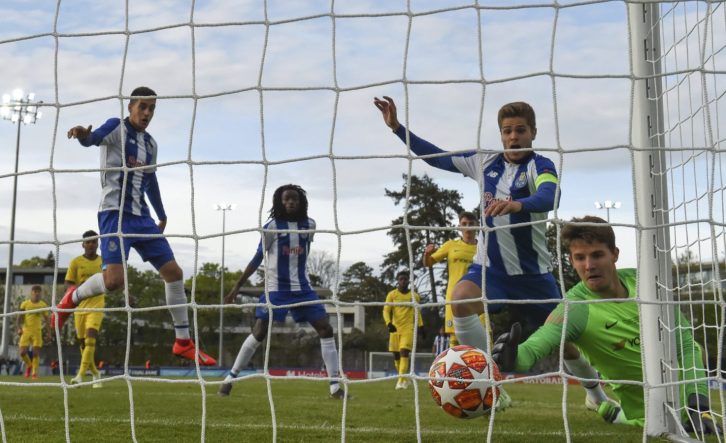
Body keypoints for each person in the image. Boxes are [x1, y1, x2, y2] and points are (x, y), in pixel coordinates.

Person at [374, 96, 608, 408]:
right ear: (501, 135)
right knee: (459, 299)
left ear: (533, 133)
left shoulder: (541, 166)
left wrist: (518, 204)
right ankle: (491, 387)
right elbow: (435, 157)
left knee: (566, 341)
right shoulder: (483, 162)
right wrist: (397, 128)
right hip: (491, 270)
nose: (514, 137)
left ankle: (596, 396)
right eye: (507, 131)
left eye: (521, 130)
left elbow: (551, 195)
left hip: (533, 276)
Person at [492, 216, 719, 433]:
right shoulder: (575, 308)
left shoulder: (648, 283)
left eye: (597, 255)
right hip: (651, 413)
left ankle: (608, 408)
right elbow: (539, 342)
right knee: (633, 419)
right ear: (571, 261)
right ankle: (607, 407)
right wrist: (515, 357)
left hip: (692, 402)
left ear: (614, 254)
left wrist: (699, 406)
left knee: (695, 347)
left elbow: (686, 344)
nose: (589, 265)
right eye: (580, 258)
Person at [56, 86, 216, 366]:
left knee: (174, 273)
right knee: (114, 282)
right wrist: (82, 135)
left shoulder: (151, 145)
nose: (147, 113)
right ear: (130, 107)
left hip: (142, 217)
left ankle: (183, 342)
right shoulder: (115, 127)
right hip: (114, 213)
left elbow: (150, 180)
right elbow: (93, 139)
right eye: (142, 106)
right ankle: (72, 297)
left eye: (152, 108)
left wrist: (161, 214)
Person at [219, 184, 346, 399]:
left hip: (303, 289)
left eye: (294, 199)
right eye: (286, 199)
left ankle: (335, 387)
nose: (290, 202)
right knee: (260, 332)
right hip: (276, 289)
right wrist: (236, 287)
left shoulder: (309, 225)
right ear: (280, 202)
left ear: (301, 202)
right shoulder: (271, 227)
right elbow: (258, 257)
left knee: (325, 329)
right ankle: (230, 379)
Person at [423, 211, 478, 346]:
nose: (468, 227)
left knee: (481, 334)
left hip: (476, 297)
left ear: (477, 226)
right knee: (455, 337)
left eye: (471, 223)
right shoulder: (451, 245)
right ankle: (455, 360)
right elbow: (428, 263)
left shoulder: (483, 247)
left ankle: (481, 360)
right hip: (454, 297)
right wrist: (427, 254)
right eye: (464, 224)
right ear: (459, 227)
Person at [64, 230, 105, 387]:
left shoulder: (104, 261)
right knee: (83, 344)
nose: (91, 244)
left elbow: (111, 278)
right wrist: (78, 288)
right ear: (83, 244)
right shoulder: (75, 262)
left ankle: (80, 376)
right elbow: (68, 283)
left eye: (94, 241)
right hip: (80, 307)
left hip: (97, 305)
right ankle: (95, 373)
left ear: (97, 244)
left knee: (90, 338)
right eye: (88, 242)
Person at [383, 271, 423, 390]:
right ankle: (405, 378)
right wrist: (388, 323)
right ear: (398, 280)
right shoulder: (392, 295)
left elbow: (417, 312)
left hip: (408, 329)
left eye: (405, 279)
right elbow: (386, 310)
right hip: (395, 329)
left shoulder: (414, 296)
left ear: (408, 281)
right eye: (401, 279)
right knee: (396, 356)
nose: (403, 281)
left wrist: (421, 326)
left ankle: (400, 382)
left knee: (404, 352)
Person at [17, 285, 49, 380]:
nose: (37, 294)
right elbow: (19, 318)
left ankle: (34, 373)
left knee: (35, 353)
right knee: (22, 352)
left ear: (41, 293)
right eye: (35, 292)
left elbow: (47, 320)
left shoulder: (43, 305)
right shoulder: (25, 304)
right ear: (31, 293)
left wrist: (49, 333)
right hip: (26, 331)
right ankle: (29, 365)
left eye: (38, 292)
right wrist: (19, 328)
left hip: (37, 332)